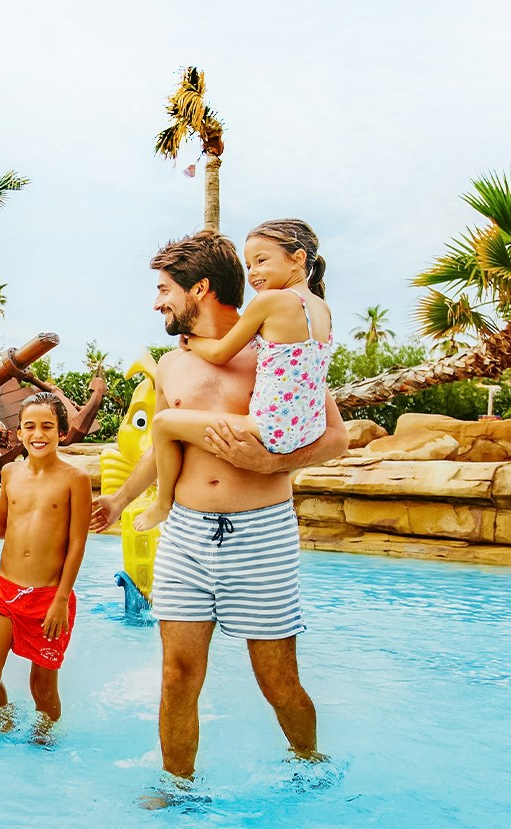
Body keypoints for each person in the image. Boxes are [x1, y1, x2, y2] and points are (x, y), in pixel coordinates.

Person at [90, 230, 349, 793]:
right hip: (185, 534)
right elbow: (165, 449)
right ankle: (176, 788)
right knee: (178, 674)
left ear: (198, 288)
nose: (157, 302)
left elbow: (335, 439)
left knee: (277, 679)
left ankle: (310, 763)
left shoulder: (276, 345)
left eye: (164, 290)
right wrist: (119, 499)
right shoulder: (171, 365)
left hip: (261, 534)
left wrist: (272, 464)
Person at [134, 219, 334, 533]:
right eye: (249, 264)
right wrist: (118, 501)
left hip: (264, 507)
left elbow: (220, 352)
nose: (253, 273)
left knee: (163, 423)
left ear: (297, 259)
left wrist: (193, 341)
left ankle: (162, 503)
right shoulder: (321, 310)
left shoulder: (267, 312)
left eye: (262, 261)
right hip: (300, 430)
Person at [0, 393, 90, 733]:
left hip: (49, 597)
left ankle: (45, 741)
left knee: (43, 686)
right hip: (5, 590)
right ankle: (4, 724)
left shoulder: (75, 479)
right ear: (19, 434)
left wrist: (61, 600)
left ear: (61, 433)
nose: (39, 434)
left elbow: (77, 543)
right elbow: (2, 527)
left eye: (47, 427)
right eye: (30, 427)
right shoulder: (10, 473)